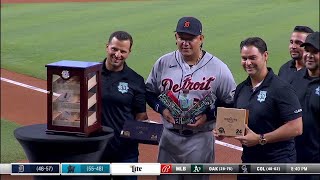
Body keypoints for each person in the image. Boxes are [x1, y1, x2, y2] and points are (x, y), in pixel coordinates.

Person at [145, 16, 236, 180]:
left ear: (201, 39)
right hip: (169, 139)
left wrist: (209, 116)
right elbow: (149, 92)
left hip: (200, 140)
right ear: (176, 38)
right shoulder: (163, 63)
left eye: (190, 38)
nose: (185, 43)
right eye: (181, 38)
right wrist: (162, 109)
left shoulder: (219, 68)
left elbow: (231, 101)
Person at [216, 37, 302, 180]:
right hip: (249, 162)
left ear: (265, 56)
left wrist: (260, 139)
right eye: (244, 58)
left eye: (252, 58)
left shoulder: (281, 88)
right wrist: (223, 131)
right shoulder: (241, 89)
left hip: (277, 165)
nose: (248, 63)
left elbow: (296, 127)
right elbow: (239, 119)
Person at [99, 31, 148, 180]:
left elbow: (140, 115)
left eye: (123, 51)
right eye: (114, 49)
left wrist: (146, 130)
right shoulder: (91, 74)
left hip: (126, 153)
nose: (117, 54)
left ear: (129, 53)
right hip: (97, 150)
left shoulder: (136, 80)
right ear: (107, 47)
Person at [291, 32, 319, 180]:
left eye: (315, 52)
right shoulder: (295, 79)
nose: (309, 55)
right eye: (307, 51)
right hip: (293, 158)